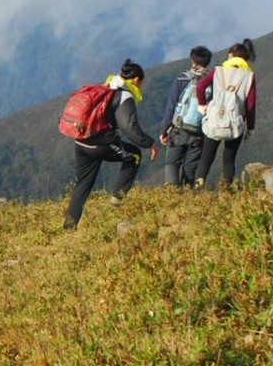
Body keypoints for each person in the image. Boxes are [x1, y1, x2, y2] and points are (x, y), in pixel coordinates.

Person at [63, 59, 158, 229]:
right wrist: (148, 143)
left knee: (82, 185)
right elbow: (129, 127)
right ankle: (117, 201)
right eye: (141, 83)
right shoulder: (124, 95)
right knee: (134, 155)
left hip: (81, 141)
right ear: (136, 80)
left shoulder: (106, 87)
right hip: (100, 143)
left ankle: (69, 226)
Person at [195, 38, 257, 189]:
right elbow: (250, 105)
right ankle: (226, 187)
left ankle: (199, 183)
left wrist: (202, 105)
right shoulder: (249, 77)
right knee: (229, 158)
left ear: (231, 55)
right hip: (235, 122)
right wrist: (250, 127)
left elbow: (200, 86)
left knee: (206, 156)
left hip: (214, 119)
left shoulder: (217, 71)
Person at [157, 46, 212, 187]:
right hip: (199, 132)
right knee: (190, 166)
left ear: (192, 60)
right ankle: (187, 195)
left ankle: (172, 195)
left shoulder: (182, 79)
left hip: (179, 130)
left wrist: (164, 130)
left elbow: (171, 107)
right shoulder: (212, 82)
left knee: (172, 163)